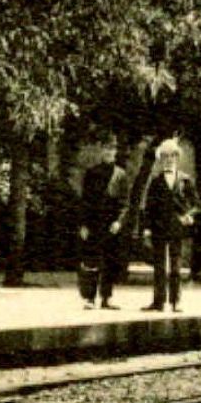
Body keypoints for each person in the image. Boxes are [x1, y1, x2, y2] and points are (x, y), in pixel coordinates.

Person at [140, 136, 199, 313]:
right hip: (158, 227)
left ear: (176, 158)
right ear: (161, 159)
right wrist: (147, 228)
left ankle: (176, 301)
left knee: (175, 266)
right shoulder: (156, 180)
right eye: (165, 156)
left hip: (176, 227)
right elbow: (149, 207)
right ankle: (158, 302)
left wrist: (189, 216)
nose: (168, 160)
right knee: (159, 266)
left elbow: (196, 204)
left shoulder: (185, 180)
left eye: (171, 156)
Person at [77, 133, 130, 310]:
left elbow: (125, 203)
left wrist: (119, 222)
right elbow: (85, 200)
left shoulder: (121, 175)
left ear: (116, 152)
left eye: (112, 149)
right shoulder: (92, 173)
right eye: (106, 148)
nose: (109, 152)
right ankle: (90, 298)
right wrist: (83, 224)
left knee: (110, 262)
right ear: (101, 150)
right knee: (91, 262)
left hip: (111, 225)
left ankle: (107, 298)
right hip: (94, 224)